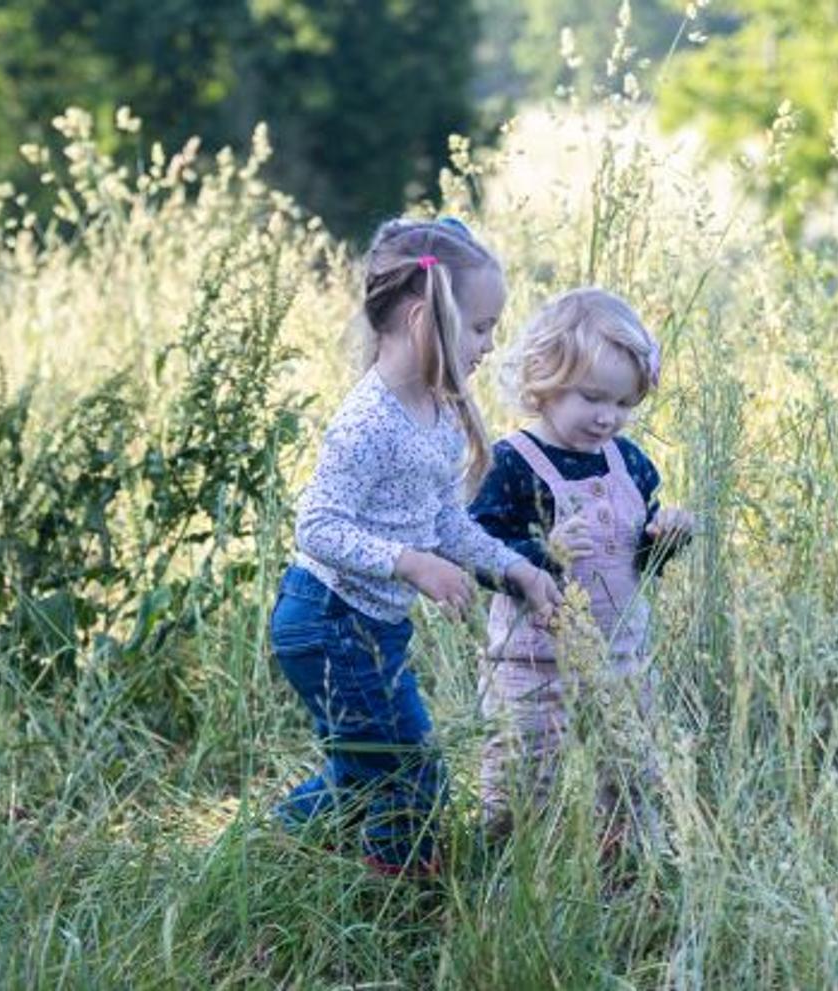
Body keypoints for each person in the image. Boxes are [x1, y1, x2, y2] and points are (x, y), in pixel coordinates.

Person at [269, 217, 561, 877]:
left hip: (372, 626)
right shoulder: (366, 422)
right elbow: (316, 524)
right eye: (481, 325)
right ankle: (406, 900)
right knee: (409, 772)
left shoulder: (439, 411)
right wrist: (410, 562)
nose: (491, 343)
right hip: (327, 619)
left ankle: (278, 845)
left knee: (363, 770)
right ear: (423, 318)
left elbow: (446, 525)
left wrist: (516, 568)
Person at [469, 287, 695, 860]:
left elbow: (637, 563)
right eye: (592, 397)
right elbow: (477, 548)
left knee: (630, 770)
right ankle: (504, 866)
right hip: (531, 663)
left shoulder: (632, 463)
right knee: (526, 776)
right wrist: (543, 551)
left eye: (623, 403)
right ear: (544, 381)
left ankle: (628, 868)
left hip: (620, 656)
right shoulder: (513, 462)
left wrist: (664, 540)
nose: (607, 416)